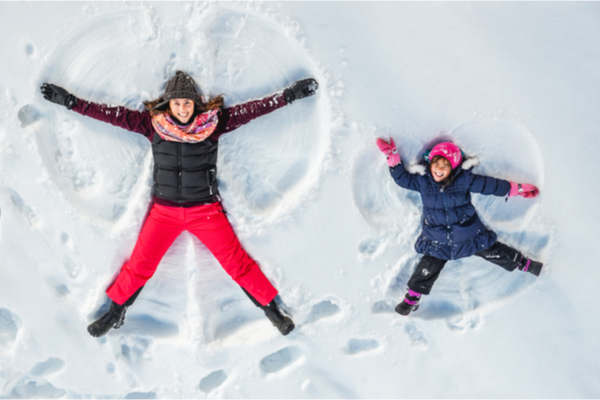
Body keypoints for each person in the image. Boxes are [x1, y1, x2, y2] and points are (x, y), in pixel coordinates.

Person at [41, 70, 319, 336]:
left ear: (196, 104)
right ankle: (115, 313)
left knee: (237, 263)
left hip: (206, 212)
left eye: (187, 103)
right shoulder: (153, 125)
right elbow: (109, 114)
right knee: (140, 265)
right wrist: (69, 101)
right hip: (164, 213)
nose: (183, 109)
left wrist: (289, 96)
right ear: (168, 104)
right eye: (177, 103)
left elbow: (253, 109)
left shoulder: (213, 124)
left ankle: (272, 312)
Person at [376, 138, 543, 316]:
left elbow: (490, 185)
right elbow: (403, 179)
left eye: (445, 166)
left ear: (453, 168)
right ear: (430, 163)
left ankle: (523, 263)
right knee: (426, 268)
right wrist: (392, 156)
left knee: (494, 250)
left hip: (468, 235)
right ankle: (412, 298)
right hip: (437, 239)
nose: (439, 169)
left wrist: (517, 189)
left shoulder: (463, 181)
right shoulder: (423, 182)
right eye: (436, 163)